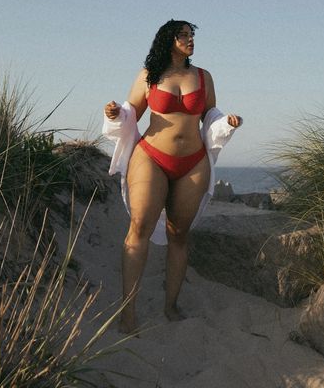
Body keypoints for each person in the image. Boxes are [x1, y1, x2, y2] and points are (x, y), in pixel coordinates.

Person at [103, 19, 242, 334]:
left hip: (192, 162)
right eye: (183, 35)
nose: (190, 39)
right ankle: (128, 314)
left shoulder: (203, 76)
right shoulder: (148, 76)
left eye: (191, 35)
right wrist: (115, 114)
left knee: (179, 234)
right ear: (168, 40)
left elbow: (210, 115)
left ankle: (170, 306)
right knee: (139, 228)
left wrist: (227, 122)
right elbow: (131, 112)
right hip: (151, 157)